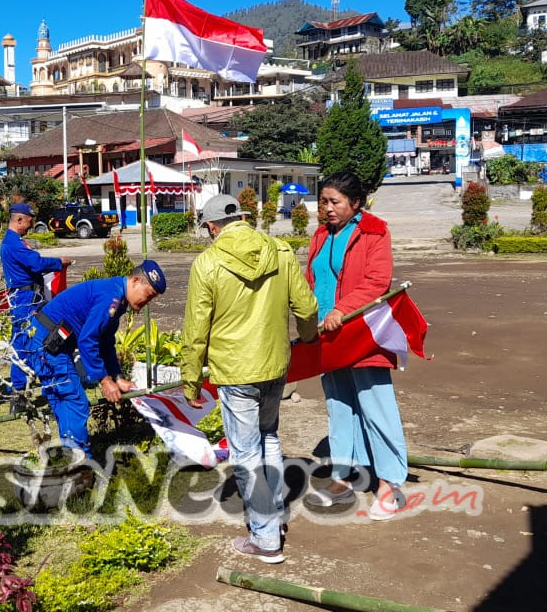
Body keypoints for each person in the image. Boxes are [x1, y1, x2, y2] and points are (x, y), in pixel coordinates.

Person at [180, 194, 318, 564]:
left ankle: (266, 538)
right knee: (269, 438)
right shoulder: (281, 251)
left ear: (211, 227)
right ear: (242, 217)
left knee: (245, 452)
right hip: (275, 365)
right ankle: (274, 515)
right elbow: (306, 307)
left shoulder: (207, 264)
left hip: (236, 371)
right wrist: (308, 339)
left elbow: (196, 331)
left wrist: (190, 380)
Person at [302, 170, 408, 521]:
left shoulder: (374, 231)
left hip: (362, 334)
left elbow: (378, 280)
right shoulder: (320, 234)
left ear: (356, 203)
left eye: (335, 202)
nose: (327, 209)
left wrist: (341, 310)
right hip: (327, 335)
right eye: (323, 202)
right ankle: (344, 476)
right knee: (339, 406)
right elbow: (311, 280)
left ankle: (389, 484)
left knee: (375, 406)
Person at [20, 262, 166, 455]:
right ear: (136, 281)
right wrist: (105, 381)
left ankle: (72, 457)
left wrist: (117, 376)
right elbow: (87, 341)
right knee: (74, 402)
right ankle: (81, 462)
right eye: (148, 295)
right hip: (47, 345)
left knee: (65, 402)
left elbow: (105, 341)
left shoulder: (118, 296)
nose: (147, 302)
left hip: (51, 343)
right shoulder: (111, 298)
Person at [0, 202, 72, 411]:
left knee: (25, 342)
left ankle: (20, 393)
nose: (30, 226)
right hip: (25, 298)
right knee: (27, 343)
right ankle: (20, 394)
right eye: (28, 222)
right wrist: (59, 262)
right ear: (19, 220)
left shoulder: (15, 241)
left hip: (26, 296)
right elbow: (36, 264)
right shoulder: (14, 244)